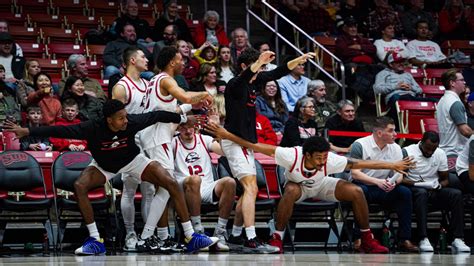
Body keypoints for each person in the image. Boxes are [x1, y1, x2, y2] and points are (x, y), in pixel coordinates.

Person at [3, 99, 218, 255]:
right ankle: (96, 239)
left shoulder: (131, 122)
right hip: (105, 166)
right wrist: (27, 131)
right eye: (120, 119)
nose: (125, 121)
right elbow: (60, 131)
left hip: (133, 161)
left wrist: (182, 117)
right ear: (108, 120)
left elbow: (158, 115)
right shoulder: (91, 128)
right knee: (79, 185)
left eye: (125, 117)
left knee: (170, 182)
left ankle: (191, 237)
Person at [204, 122, 416, 254]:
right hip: (299, 187)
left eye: (324, 157)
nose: (323, 160)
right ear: (307, 155)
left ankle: (367, 238)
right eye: (318, 158)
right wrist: (226, 135)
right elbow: (256, 146)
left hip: (322, 185)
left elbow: (358, 164)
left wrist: (392, 165)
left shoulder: (329, 160)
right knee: (291, 190)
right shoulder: (292, 154)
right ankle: (277, 237)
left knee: (355, 191)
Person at [222, 48, 314, 253]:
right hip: (234, 141)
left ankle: (236, 235)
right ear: (246, 66)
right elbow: (244, 76)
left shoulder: (255, 81)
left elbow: (278, 72)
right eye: (258, 65)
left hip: (246, 143)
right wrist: (259, 61)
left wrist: (298, 59)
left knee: (249, 191)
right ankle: (251, 238)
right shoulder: (235, 84)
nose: (262, 69)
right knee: (251, 188)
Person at [137, 46, 214, 250]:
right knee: (167, 186)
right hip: (157, 138)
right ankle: (176, 235)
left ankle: (156, 237)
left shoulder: (154, 81)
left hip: (152, 136)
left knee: (164, 189)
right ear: (172, 62)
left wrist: (191, 107)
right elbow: (187, 96)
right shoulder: (166, 79)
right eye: (181, 60)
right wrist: (205, 94)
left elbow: (175, 109)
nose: (184, 63)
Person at [349, 116, 419, 252]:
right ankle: (359, 238)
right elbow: (355, 173)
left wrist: (394, 182)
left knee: (404, 193)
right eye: (391, 131)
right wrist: (377, 182)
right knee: (359, 193)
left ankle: (404, 238)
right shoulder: (360, 145)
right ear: (380, 133)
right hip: (365, 185)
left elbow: (399, 173)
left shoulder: (397, 148)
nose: (396, 134)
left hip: (385, 186)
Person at [111, 46, 154, 252]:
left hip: (148, 140)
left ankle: (148, 234)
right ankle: (130, 233)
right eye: (143, 56)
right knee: (129, 188)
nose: (147, 59)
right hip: (129, 141)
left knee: (150, 189)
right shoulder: (121, 87)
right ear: (132, 61)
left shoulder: (147, 84)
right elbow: (113, 118)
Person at [172, 120, 237, 251]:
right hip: (183, 189)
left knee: (230, 182)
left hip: (206, 187)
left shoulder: (204, 139)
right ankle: (198, 231)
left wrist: (219, 131)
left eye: (190, 127)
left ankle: (220, 231)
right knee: (195, 180)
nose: (188, 131)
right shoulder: (174, 142)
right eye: (183, 128)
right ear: (177, 129)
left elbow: (224, 152)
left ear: (195, 128)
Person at [402, 131, 470, 253]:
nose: (429, 152)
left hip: (433, 188)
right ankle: (423, 237)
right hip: (414, 189)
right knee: (421, 193)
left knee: (456, 194)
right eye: (427, 148)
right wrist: (418, 184)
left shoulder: (440, 153)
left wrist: (438, 185)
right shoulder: (408, 152)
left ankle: (458, 238)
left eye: (433, 150)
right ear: (421, 142)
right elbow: (400, 179)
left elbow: (445, 179)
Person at [373, 52, 425, 126]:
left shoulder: (408, 74)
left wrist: (411, 88)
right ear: (391, 64)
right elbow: (377, 89)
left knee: (434, 101)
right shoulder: (382, 74)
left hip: (411, 97)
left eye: (402, 61)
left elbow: (420, 90)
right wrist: (395, 86)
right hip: (395, 98)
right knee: (398, 98)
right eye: (397, 62)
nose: (401, 64)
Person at [436, 69, 471, 159]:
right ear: (452, 83)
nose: (464, 82)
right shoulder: (455, 102)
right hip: (455, 152)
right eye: (462, 80)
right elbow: (465, 130)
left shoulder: (443, 100)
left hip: (446, 151)